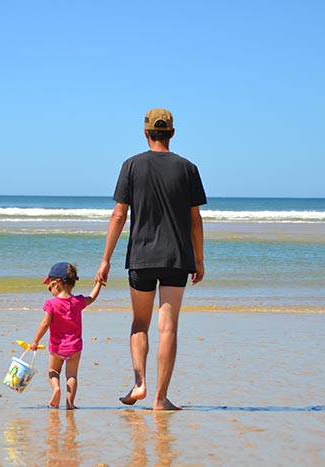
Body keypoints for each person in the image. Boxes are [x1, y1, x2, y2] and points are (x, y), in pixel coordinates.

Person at [96, 108, 206, 411]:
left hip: (141, 257)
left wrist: (105, 259)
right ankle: (160, 399)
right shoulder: (188, 168)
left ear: (146, 133)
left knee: (139, 324)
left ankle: (140, 383)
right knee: (168, 328)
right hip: (176, 257)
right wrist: (199, 259)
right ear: (172, 133)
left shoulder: (131, 166)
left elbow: (119, 215)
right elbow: (195, 220)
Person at [31, 262, 102, 409]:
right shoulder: (77, 302)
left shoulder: (51, 304)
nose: (49, 289)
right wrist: (98, 283)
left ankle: (56, 389)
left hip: (57, 348)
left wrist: (35, 340)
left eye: (50, 286)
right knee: (72, 376)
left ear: (56, 284)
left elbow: (44, 324)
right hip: (75, 347)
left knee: (53, 371)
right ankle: (70, 404)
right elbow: (92, 297)